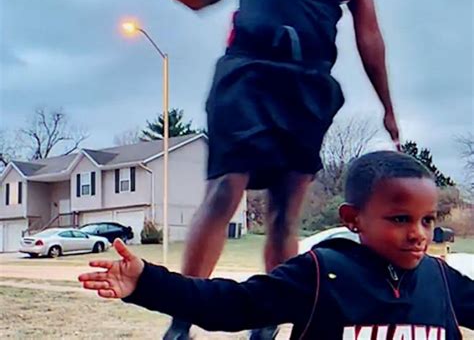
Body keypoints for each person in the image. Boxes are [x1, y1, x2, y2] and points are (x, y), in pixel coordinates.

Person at [164, 0, 400, 338]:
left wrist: (386, 103)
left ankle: (269, 319)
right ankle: (183, 317)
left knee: (284, 209)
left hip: (308, 79)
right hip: (247, 68)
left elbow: (367, 27)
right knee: (226, 185)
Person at [78, 151, 474, 339]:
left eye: (427, 220)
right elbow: (230, 307)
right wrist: (147, 282)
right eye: (400, 219)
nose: (418, 233)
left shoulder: (441, 279)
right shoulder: (320, 273)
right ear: (353, 219)